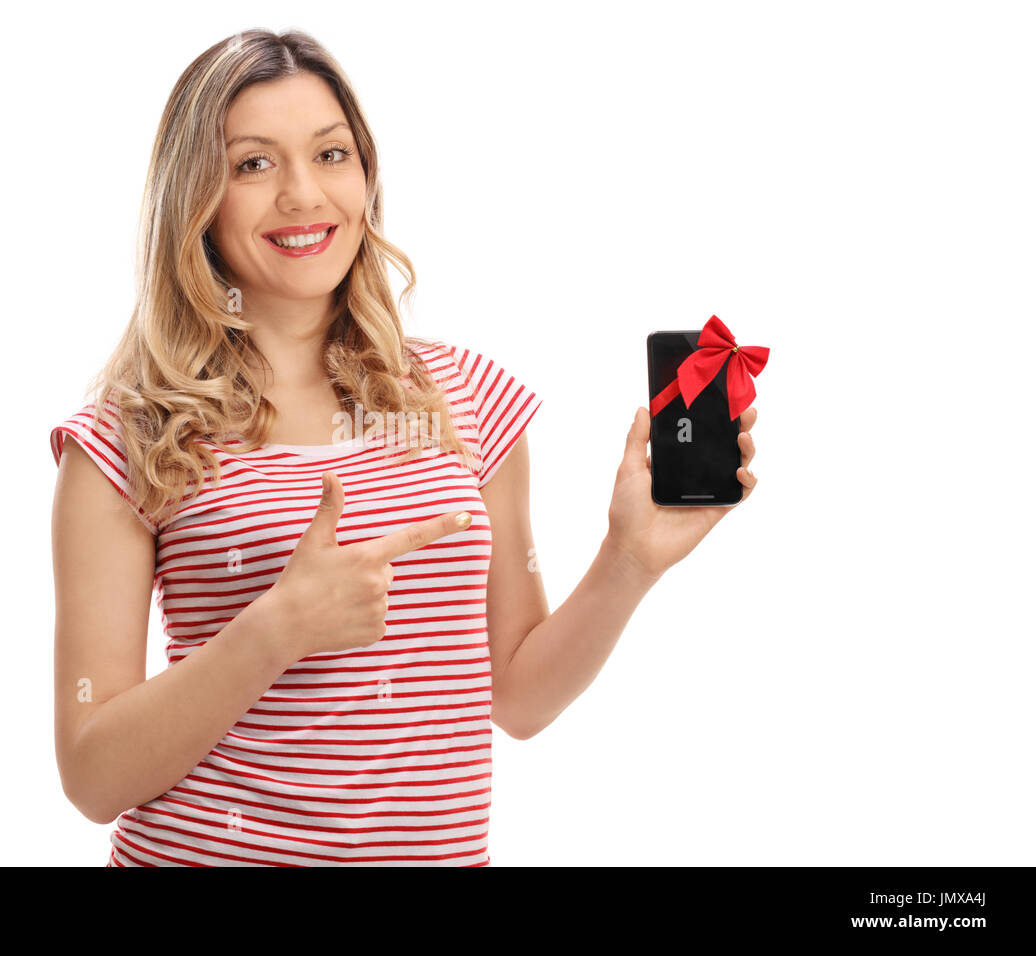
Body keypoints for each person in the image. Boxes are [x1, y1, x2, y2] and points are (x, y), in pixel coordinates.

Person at [49, 29, 759, 867]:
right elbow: (93, 775)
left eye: (331, 153)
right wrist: (274, 630)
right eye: (253, 164)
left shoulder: (468, 399)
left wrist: (628, 560)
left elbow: (519, 698)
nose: (303, 194)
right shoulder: (124, 440)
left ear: (367, 174)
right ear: (194, 198)